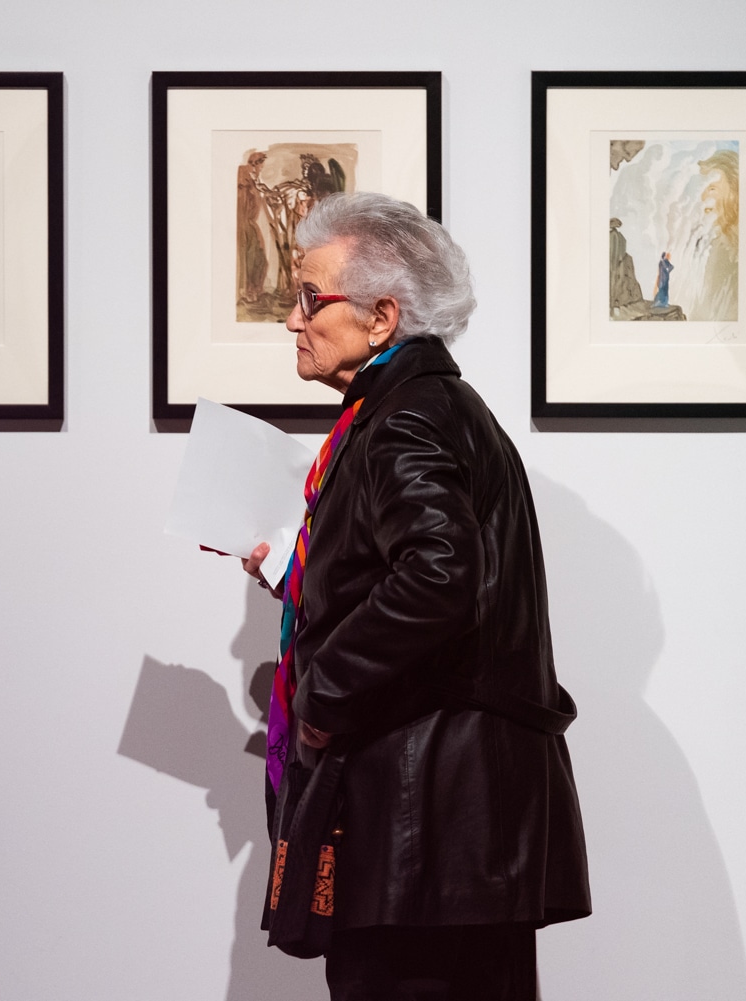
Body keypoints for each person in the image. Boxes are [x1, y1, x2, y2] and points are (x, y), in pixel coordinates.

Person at [229, 191, 590, 999]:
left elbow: (438, 575)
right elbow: (436, 571)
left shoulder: (405, 418)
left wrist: (324, 686)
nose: (293, 320)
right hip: (450, 822)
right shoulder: (426, 408)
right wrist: (297, 572)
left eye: (309, 297)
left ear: (382, 316)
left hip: (427, 826)